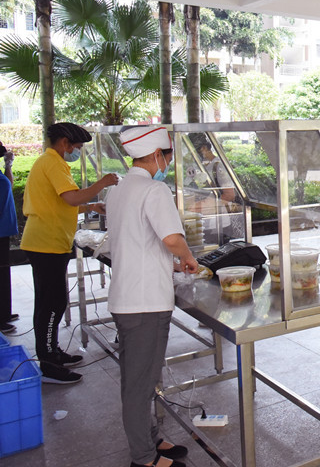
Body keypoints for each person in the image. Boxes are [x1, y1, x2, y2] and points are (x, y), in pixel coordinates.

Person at [107, 125, 199, 467]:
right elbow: (172, 239)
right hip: (144, 302)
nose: (168, 165)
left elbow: (137, 239)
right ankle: (144, 457)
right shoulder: (153, 189)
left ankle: (151, 439)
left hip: (127, 296)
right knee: (140, 384)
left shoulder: (118, 189)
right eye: (168, 158)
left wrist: (170, 264)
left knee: (139, 377)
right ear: (158, 155)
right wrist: (188, 258)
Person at [21, 122, 118, 384]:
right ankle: (48, 365)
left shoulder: (50, 162)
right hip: (46, 244)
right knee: (52, 304)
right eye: (77, 147)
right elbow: (72, 198)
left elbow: (61, 203)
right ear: (65, 143)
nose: (77, 151)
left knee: (50, 302)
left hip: (48, 242)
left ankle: (51, 352)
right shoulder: (52, 162)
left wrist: (91, 207)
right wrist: (103, 183)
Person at [0, 142, 17, 334]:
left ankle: (4, 312)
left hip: (4, 231)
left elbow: (8, 184)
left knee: (4, 273)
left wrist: (8, 166)